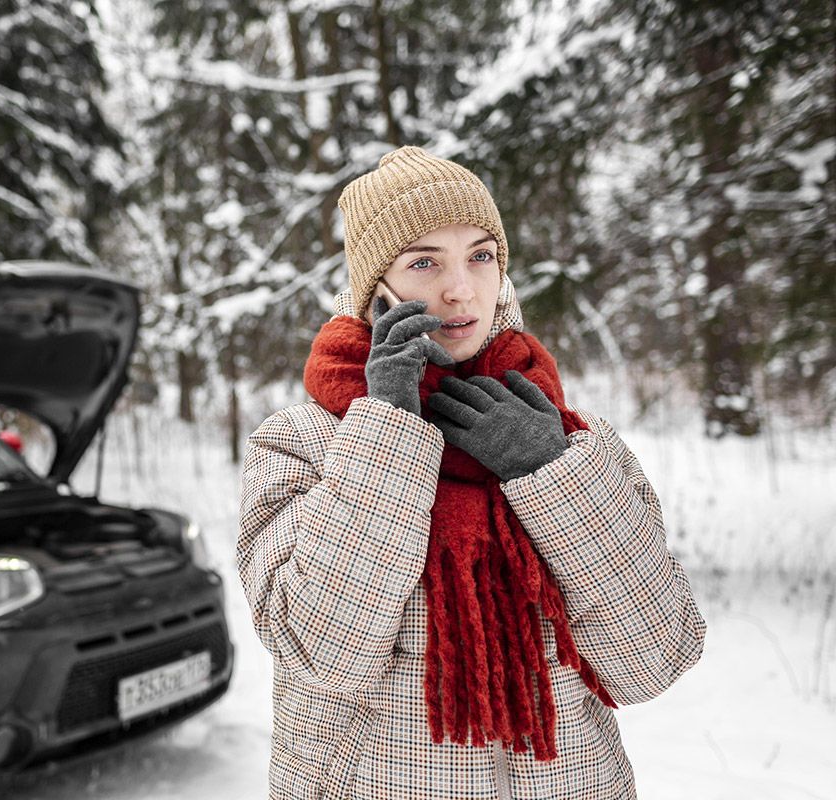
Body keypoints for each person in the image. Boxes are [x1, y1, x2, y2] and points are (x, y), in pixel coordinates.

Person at [237, 146, 707, 800]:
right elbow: (320, 652)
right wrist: (388, 433)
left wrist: (550, 475)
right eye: (424, 261)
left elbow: (654, 661)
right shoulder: (304, 441)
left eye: (480, 256)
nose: (461, 290)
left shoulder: (573, 442)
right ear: (375, 288)